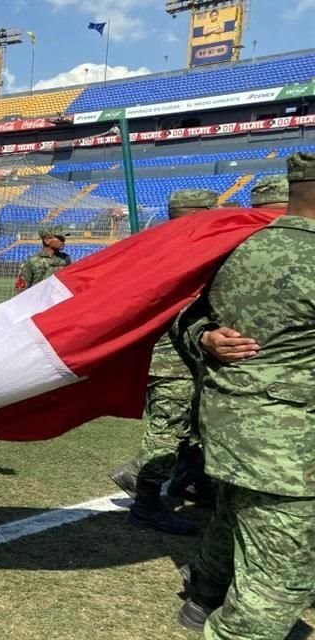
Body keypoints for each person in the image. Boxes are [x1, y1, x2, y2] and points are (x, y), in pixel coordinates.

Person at [174, 152, 315, 636]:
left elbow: (182, 312)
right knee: (287, 568)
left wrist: (205, 337)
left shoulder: (234, 246)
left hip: (229, 420)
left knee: (234, 518)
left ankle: (204, 595)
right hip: (292, 442)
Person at [109, 188, 219, 536]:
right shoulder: (179, 252)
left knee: (193, 424)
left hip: (178, 357)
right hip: (171, 359)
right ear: (198, 213)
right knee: (168, 429)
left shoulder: (161, 246)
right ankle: (145, 501)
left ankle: (193, 482)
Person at [14, 227, 72, 293]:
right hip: (38, 301)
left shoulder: (66, 259)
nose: (63, 241)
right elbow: (21, 289)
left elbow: (69, 283)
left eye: (64, 239)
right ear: (47, 240)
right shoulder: (32, 261)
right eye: (60, 238)